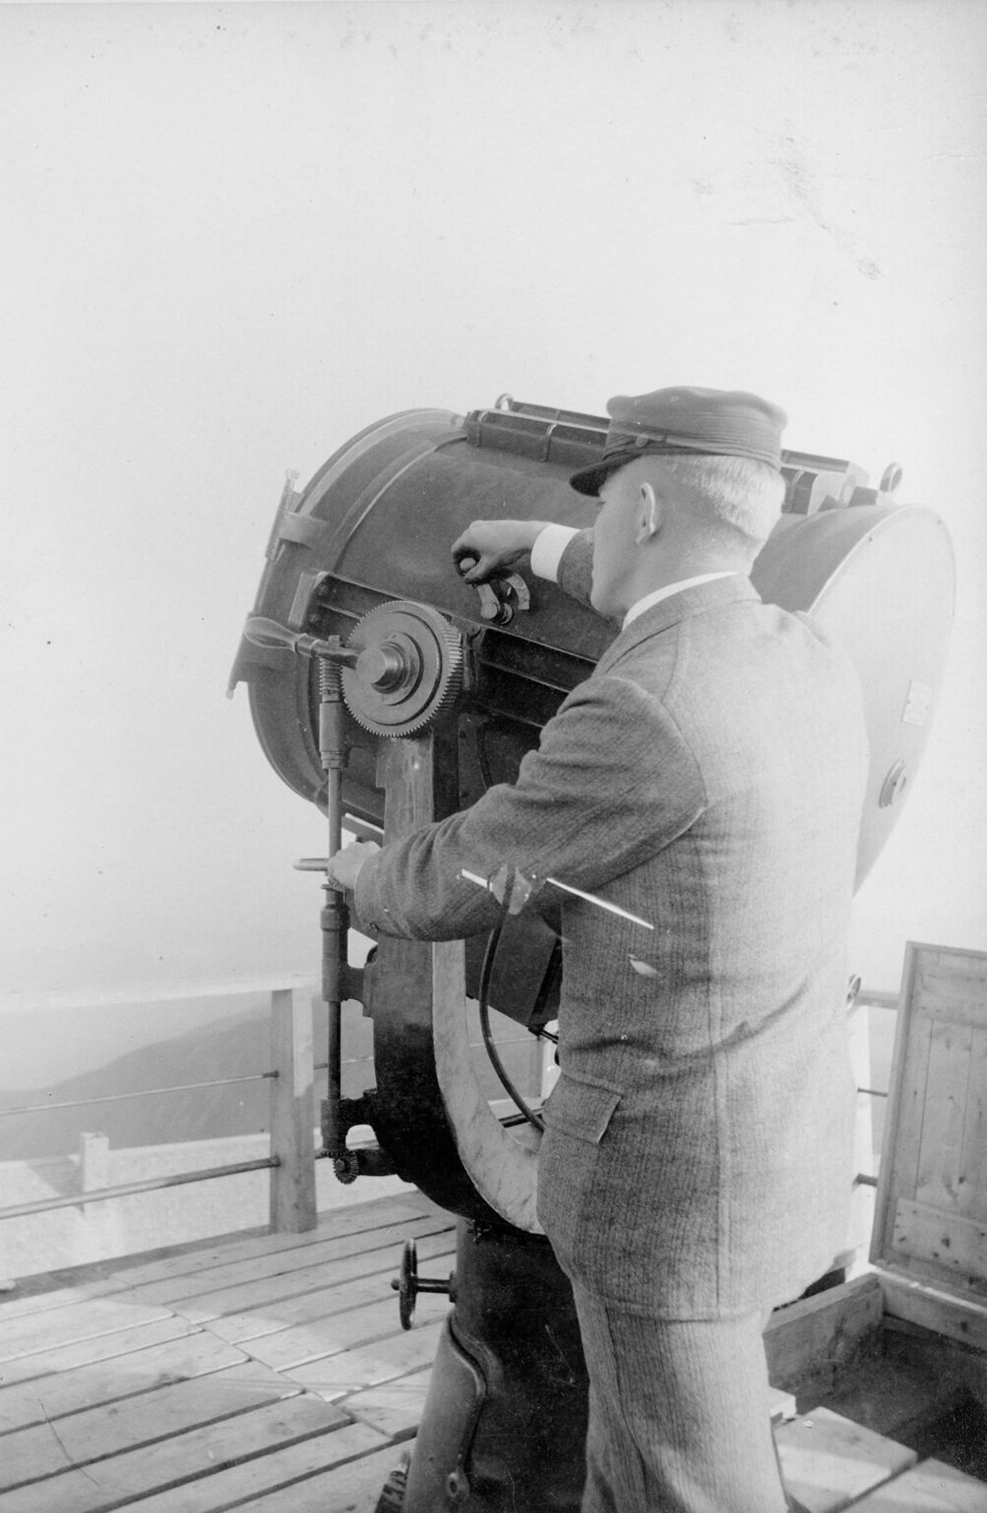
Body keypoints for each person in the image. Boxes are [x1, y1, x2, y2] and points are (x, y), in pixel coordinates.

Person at [328, 386, 869, 1513]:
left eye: (611, 502)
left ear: (653, 507)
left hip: (663, 1203)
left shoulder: (643, 707)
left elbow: (472, 868)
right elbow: (679, 590)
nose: (605, 525)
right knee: (637, 1477)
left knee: (687, 1491)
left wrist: (364, 876)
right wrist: (542, 542)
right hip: (771, 1159)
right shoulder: (808, 655)